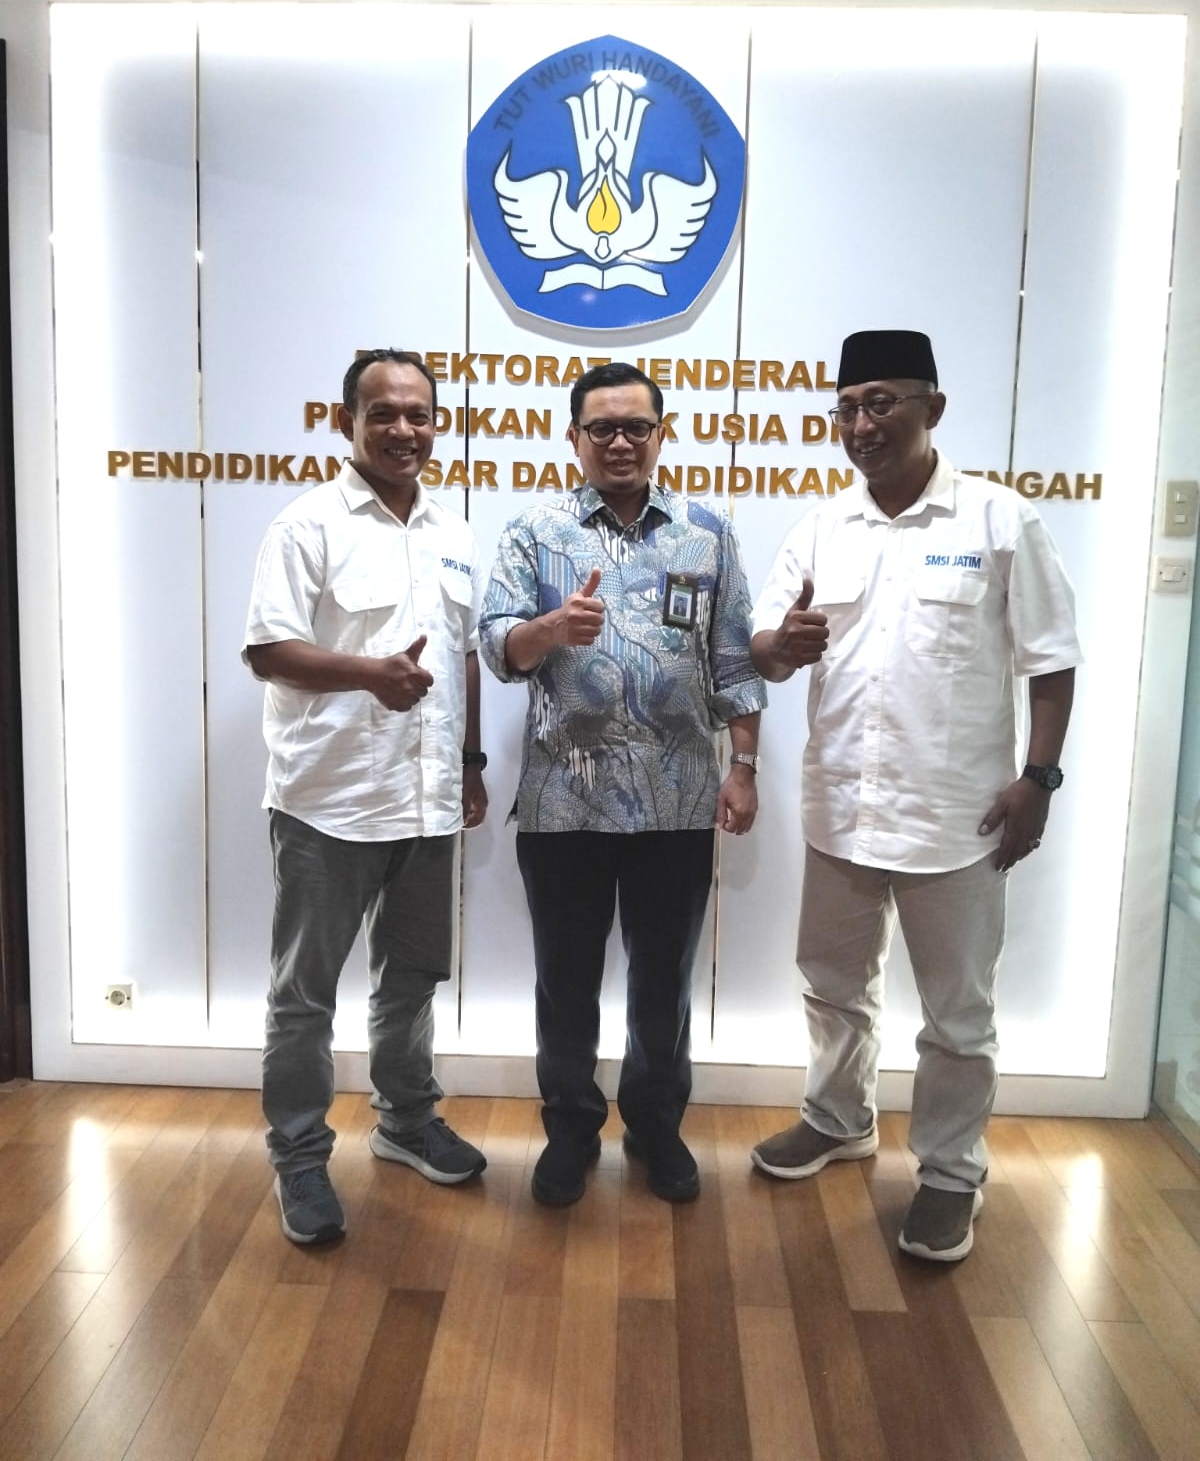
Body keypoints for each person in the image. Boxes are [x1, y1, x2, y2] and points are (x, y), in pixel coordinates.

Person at [749, 329, 1081, 1262]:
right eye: (847, 408)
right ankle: (838, 1118)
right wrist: (781, 648)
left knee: (958, 1018)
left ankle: (949, 1173)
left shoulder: (999, 521)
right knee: (832, 987)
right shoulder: (822, 527)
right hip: (841, 812)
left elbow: (1052, 661)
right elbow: (762, 649)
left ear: (933, 408)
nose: (863, 424)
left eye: (883, 402)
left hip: (959, 818)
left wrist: (1040, 779)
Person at [479, 363, 767, 1206]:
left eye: (636, 426)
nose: (619, 442)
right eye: (600, 427)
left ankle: (655, 1125)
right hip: (564, 805)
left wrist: (743, 766)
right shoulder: (534, 532)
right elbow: (497, 648)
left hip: (679, 802)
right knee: (565, 982)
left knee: (663, 984)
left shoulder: (707, 534)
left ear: (660, 435)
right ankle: (570, 1130)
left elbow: (735, 662)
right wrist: (548, 628)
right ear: (573, 437)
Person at [243, 348, 489, 1245]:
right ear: (346, 423)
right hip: (329, 803)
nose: (402, 429)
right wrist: (367, 674)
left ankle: (405, 1121)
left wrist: (470, 762)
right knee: (304, 995)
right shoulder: (304, 526)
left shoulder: (454, 532)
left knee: (412, 979)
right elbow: (268, 651)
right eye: (382, 413)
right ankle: (301, 1158)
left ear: (437, 424)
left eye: (418, 414)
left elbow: (463, 656)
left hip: (425, 800)